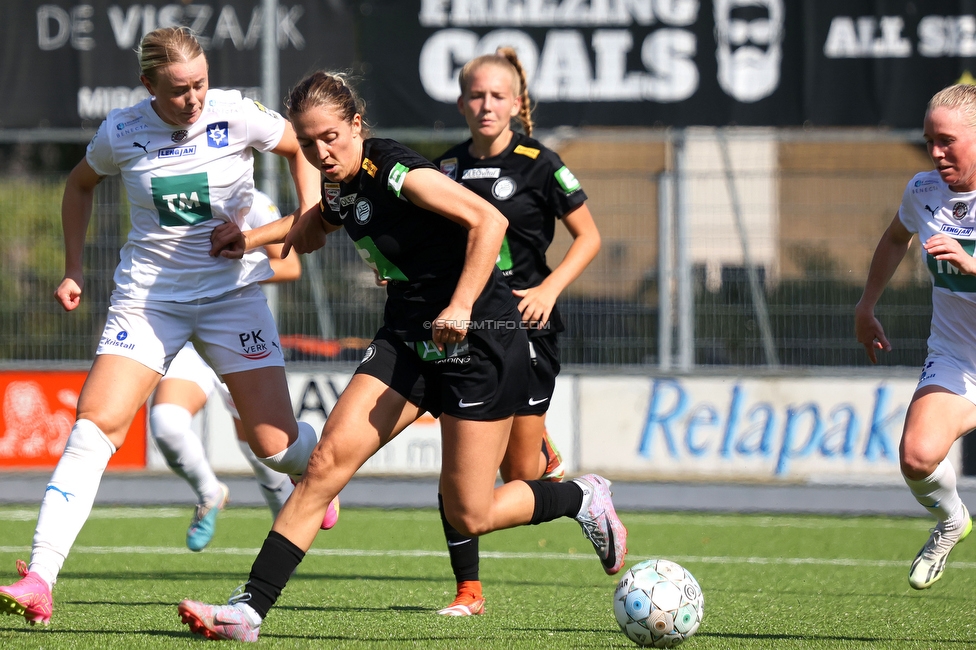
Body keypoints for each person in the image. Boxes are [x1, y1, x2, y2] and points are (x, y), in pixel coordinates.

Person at [176, 70, 627, 642]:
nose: (321, 153)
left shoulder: (397, 170)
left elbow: (490, 221)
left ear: (356, 124)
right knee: (323, 468)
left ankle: (580, 496)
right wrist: (252, 237)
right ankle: (248, 611)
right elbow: (317, 225)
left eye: (332, 137)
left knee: (471, 515)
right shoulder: (339, 182)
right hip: (407, 337)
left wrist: (461, 306)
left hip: (479, 338)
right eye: (309, 142)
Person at [0, 27, 323, 626]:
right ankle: (41, 576)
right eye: (179, 90)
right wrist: (73, 267)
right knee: (95, 425)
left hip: (233, 298)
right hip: (150, 301)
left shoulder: (237, 112)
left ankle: (315, 466)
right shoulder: (120, 131)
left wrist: (304, 216)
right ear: (148, 84)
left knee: (274, 448)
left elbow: (300, 148)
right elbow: (78, 184)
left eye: (200, 83)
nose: (195, 99)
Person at [430, 48, 601, 616]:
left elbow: (589, 238)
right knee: (458, 461)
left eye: (497, 96)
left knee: (520, 476)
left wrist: (549, 291)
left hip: (525, 324)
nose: (485, 105)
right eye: (476, 95)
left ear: (515, 103)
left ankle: (579, 494)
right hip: (465, 328)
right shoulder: (446, 168)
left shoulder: (540, 163)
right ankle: (468, 590)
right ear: (460, 102)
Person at [149, 190, 339, 552]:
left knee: (265, 447)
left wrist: (227, 271)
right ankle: (210, 493)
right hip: (186, 335)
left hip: (236, 332)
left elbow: (291, 265)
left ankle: (289, 505)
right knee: (165, 424)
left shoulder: (255, 201)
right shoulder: (176, 189)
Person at [855, 83, 976, 590]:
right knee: (917, 457)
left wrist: (972, 266)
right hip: (958, 357)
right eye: (929, 140)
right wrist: (866, 304)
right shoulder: (924, 191)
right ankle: (952, 520)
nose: (936, 152)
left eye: (947, 140)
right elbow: (894, 237)